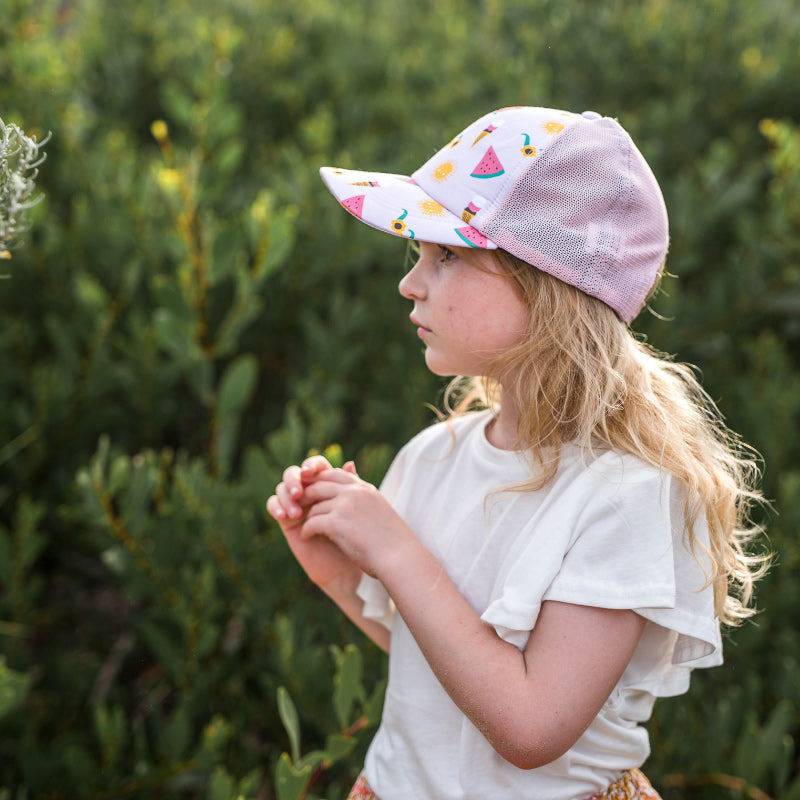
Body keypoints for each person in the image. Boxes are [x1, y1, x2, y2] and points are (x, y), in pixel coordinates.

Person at [266, 106, 767, 800]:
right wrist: (340, 577)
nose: (411, 283)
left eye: (446, 256)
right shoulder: (432, 456)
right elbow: (441, 669)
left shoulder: (626, 494)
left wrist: (393, 551)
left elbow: (530, 728)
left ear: (551, 290)